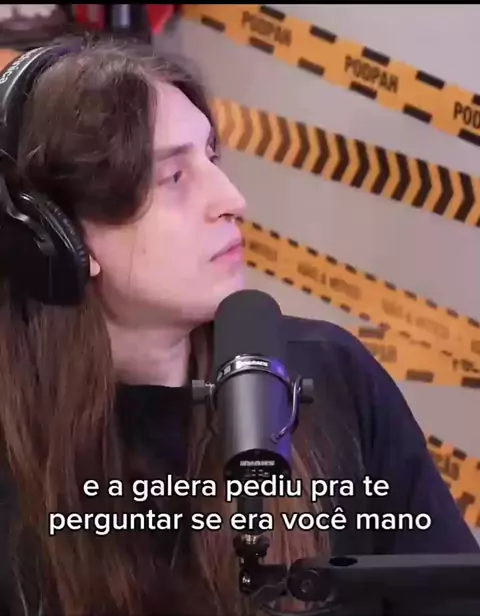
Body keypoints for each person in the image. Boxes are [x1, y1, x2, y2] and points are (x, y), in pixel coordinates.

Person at [0, 38, 478, 616]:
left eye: (212, 157)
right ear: (59, 235)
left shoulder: (333, 373)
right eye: (174, 177)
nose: (233, 200)